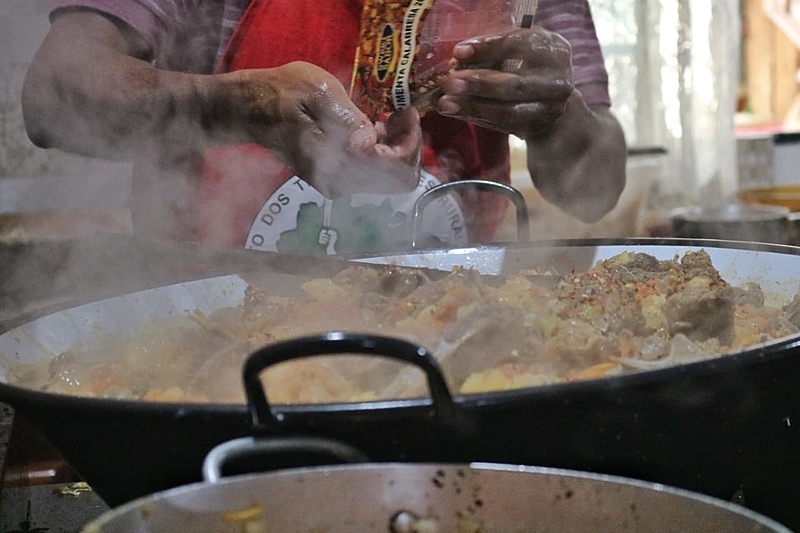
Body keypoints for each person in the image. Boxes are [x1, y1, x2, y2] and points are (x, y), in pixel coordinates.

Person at [21, 0, 626, 256]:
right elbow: (54, 94)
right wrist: (245, 106)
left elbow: (596, 193)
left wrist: (558, 116)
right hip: (213, 338)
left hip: (452, 338)